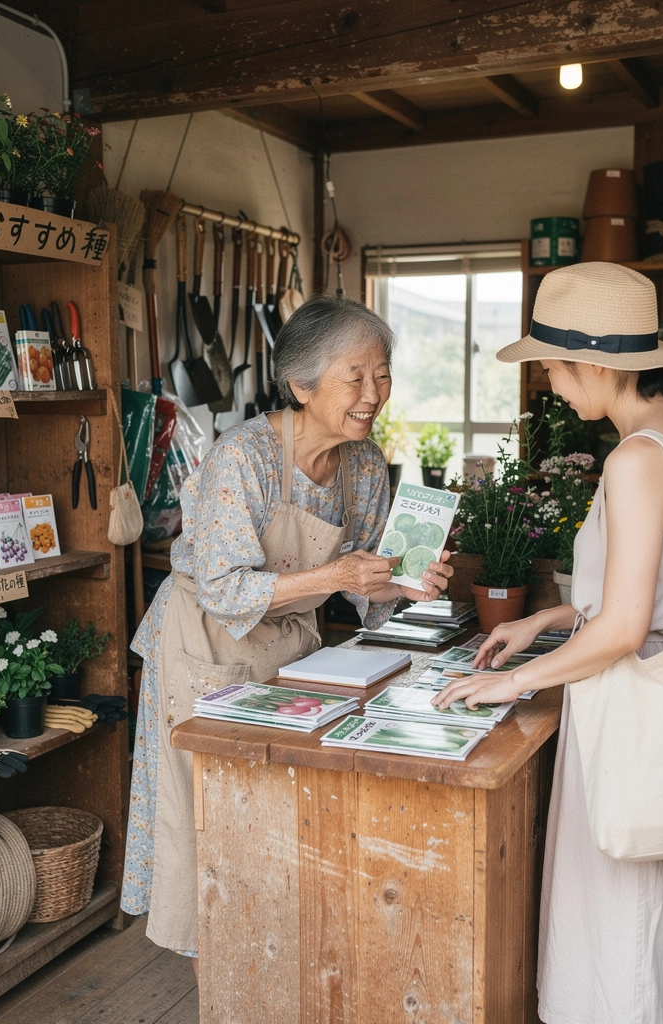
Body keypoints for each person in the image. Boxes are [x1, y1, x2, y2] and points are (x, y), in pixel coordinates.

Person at [433, 262, 663, 1024]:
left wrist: (512, 684)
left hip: (635, 715)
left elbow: (628, 625)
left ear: (597, 364)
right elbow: (659, 594)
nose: (547, 379)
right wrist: (544, 620)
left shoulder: (635, 461)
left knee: (622, 923)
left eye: (551, 363)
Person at [123, 294, 453, 970]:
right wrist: (339, 576)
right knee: (211, 819)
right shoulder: (243, 458)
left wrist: (406, 583)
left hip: (289, 646)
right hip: (204, 646)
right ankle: (222, 977)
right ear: (302, 386)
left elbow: (366, 581)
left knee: (285, 813)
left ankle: (284, 965)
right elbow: (223, 589)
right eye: (354, 376)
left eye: (382, 373)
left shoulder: (363, 464)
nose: (373, 393)